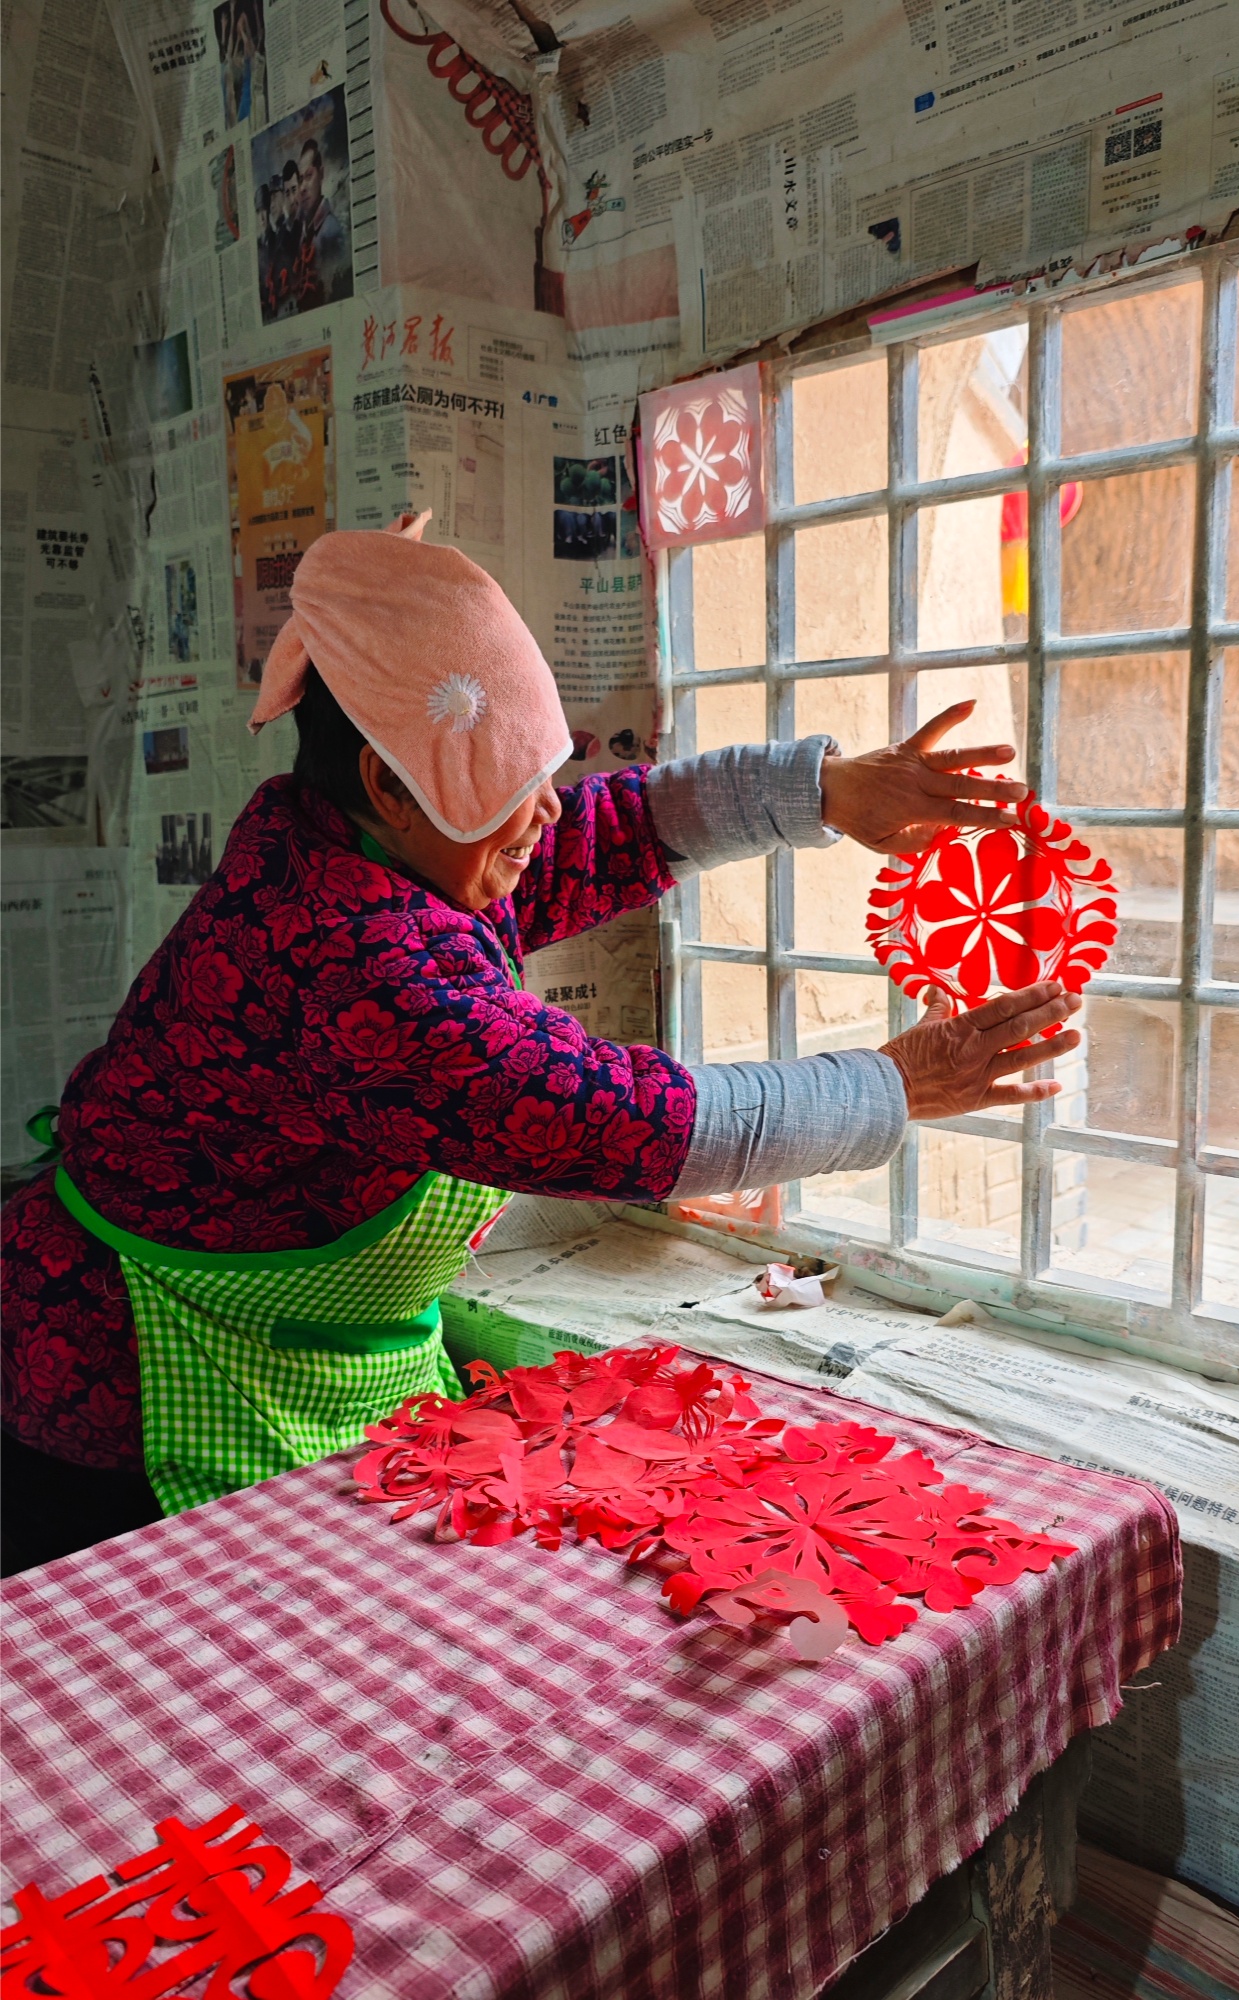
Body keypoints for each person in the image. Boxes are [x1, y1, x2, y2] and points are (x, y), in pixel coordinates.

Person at [0, 512, 1079, 1572]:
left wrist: (825, 789)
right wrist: (890, 1084)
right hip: (126, 1367)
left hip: (288, 1331)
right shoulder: (350, 953)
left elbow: (613, 828)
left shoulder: (373, 837)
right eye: (517, 792)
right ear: (388, 782)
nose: (543, 820)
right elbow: (617, 1121)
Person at [296, 137, 350, 306]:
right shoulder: (305, 233)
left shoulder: (330, 231)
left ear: (322, 174)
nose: (303, 187)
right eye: (300, 179)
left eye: (309, 176)